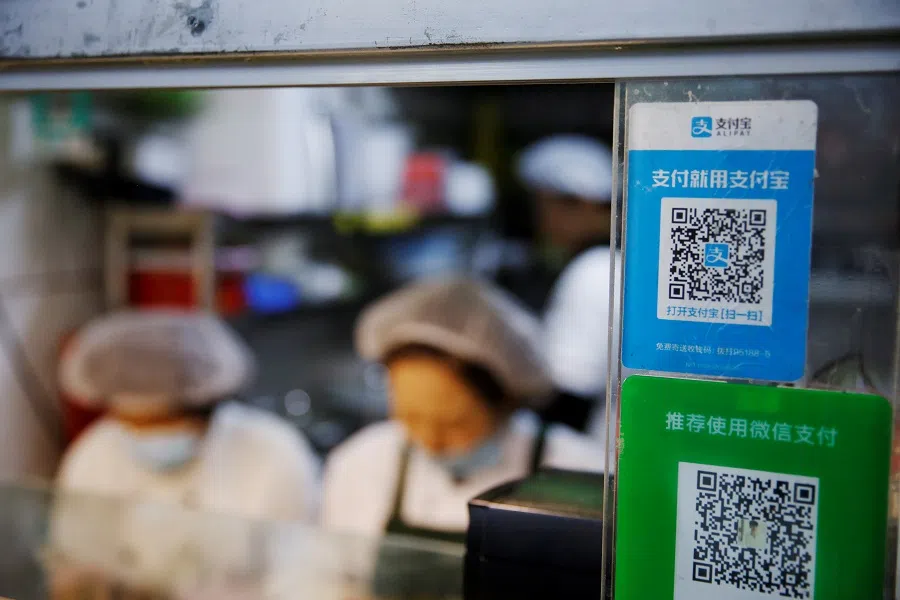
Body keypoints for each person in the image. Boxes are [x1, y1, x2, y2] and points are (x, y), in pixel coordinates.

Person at [49, 310, 320, 596]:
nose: (149, 435)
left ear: (203, 406)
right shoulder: (96, 452)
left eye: (163, 422)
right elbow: (75, 562)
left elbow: (300, 576)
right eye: (134, 424)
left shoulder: (273, 452)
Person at [321, 277, 605, 541]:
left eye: (454, 424)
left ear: (506, 403)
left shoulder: (581, 473)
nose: (430, 440)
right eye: (410, 417)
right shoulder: (359, 465)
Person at [517, 134, 616, 434]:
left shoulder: (594, 272)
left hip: (591, 459)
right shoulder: (610, 262)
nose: (542, 223)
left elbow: (570, 399)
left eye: (546, 208)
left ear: (581, 205)